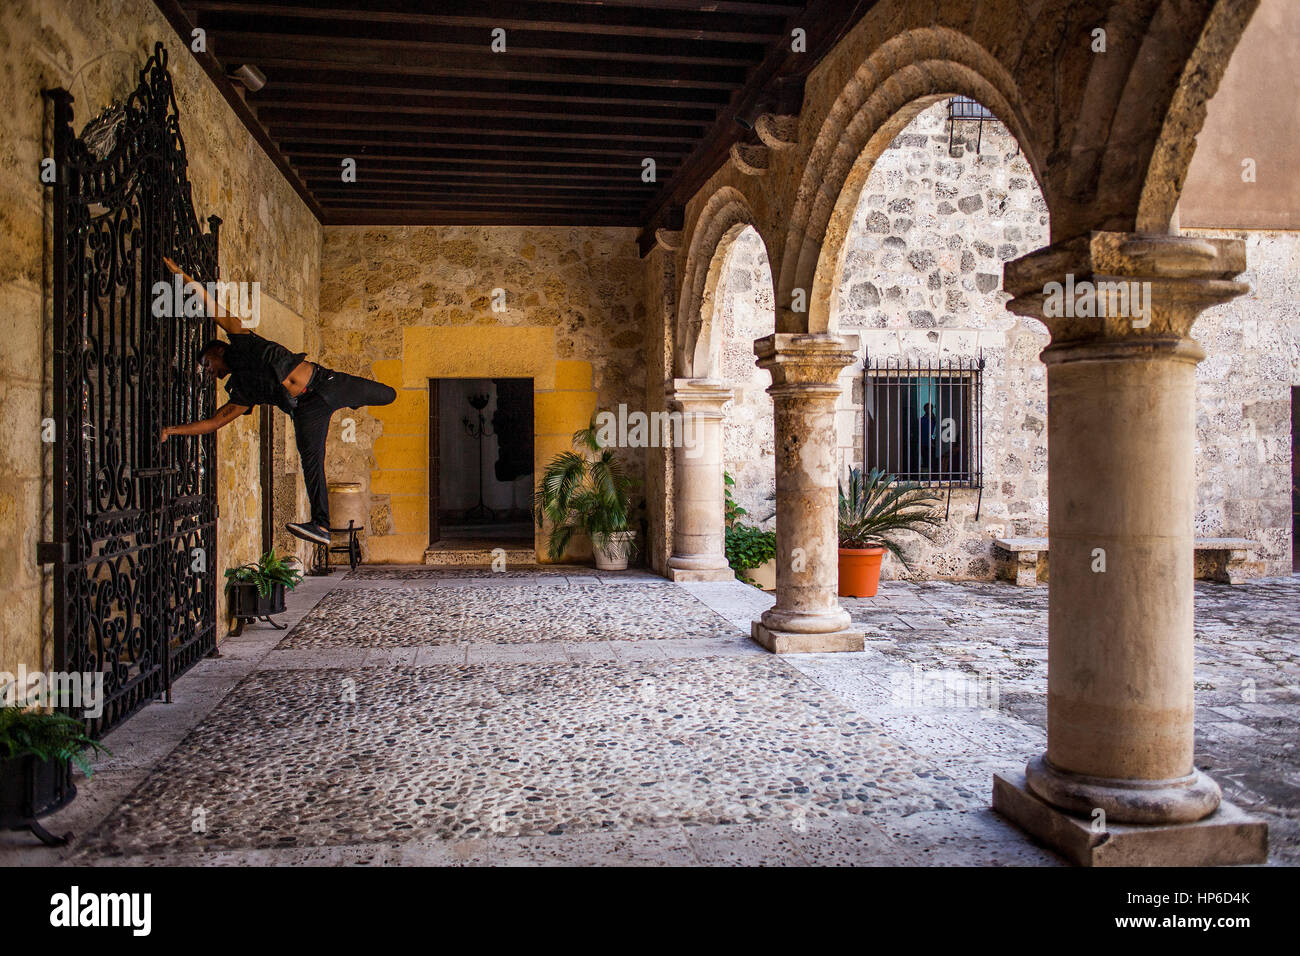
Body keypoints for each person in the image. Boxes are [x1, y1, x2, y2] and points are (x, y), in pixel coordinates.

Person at [159, 257, 395, 546]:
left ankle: (354, 399)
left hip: (326, 383)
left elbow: (215, 310)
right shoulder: (242, 392)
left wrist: (183, 275)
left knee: (388, 394)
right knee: (312, 462)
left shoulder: (242, 342)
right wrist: (172, 431)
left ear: (218, 349)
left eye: (207, 364)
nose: (209, 372)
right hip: (306, 410)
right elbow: (214, 422)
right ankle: (321, 525)